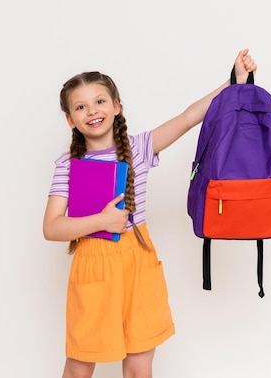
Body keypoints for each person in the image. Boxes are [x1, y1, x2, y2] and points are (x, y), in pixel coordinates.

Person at [43, 49, 257, 378]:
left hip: (139, 261)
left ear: (117, 106)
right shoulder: (67, 166)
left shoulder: (140, 147)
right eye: (80, 106)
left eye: (100, 101)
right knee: (80, 365)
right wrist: (100, 221)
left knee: (140, 366)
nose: (92, 111)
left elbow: (188, 117)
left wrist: (233, 81)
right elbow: (52, 227)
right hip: (93, 265)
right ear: (71, 119)